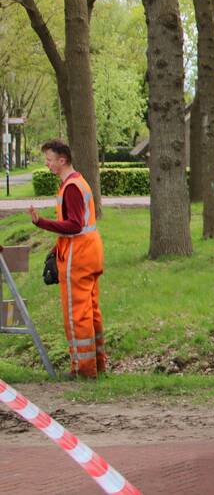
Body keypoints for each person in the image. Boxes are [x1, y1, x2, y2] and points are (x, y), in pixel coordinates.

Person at [27, 140, 105, 379]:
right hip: (90, 251)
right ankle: (97, 365)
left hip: (78, 255)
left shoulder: (71, 187)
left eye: (49, 159)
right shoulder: (78, 182)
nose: (47, 164)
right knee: (91, 310)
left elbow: (73, 225)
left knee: (76, 313)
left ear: (62, 160)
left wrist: (41, 222)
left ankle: (83, 369)